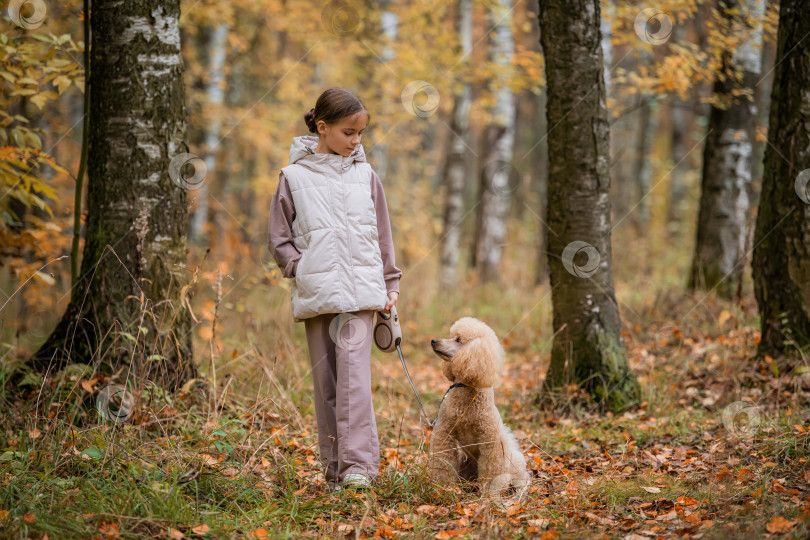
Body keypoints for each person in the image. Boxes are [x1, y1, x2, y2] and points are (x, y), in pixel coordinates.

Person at [266, 87, 402, 492]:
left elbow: (382, 234)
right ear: (322, 128)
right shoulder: (293, 177)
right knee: (326, 383)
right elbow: (278, 237)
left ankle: (359, 468)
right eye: (349, 132)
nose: (356, 141)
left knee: (354, 381)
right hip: (319, 293)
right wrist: (300, 267)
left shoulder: (366, 175)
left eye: (360, 133)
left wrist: (390, 282)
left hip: (362, 295)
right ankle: (334, 470)